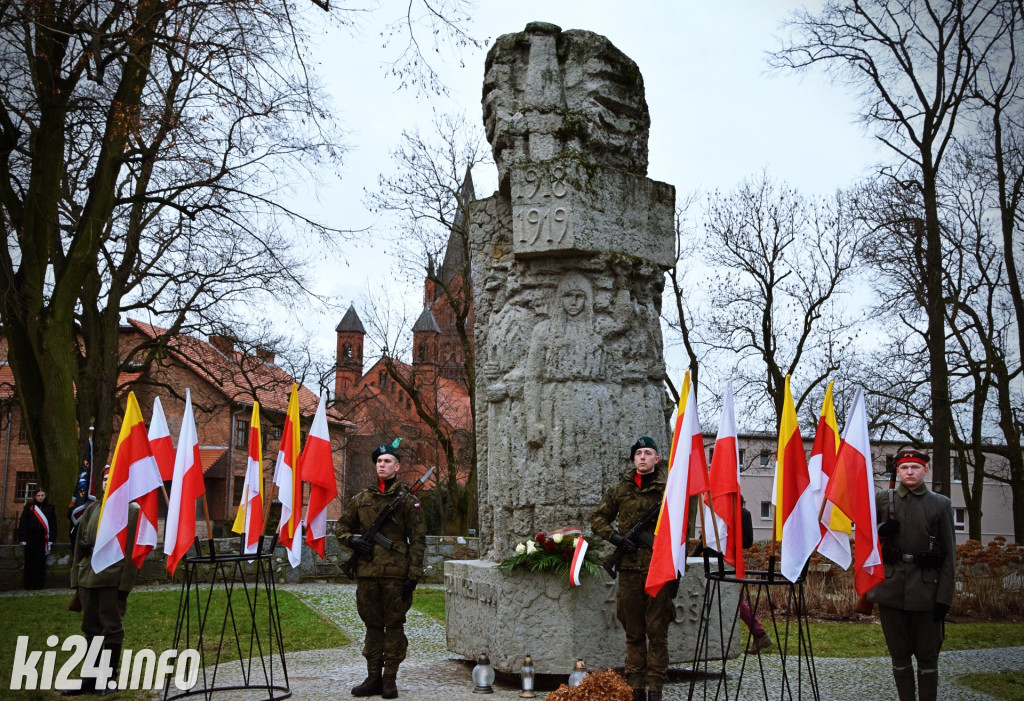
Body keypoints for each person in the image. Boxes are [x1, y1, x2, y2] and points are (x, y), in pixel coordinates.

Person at [336, 443, 426, 699]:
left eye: (387, 461)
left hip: (397, 575)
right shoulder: (362, 499)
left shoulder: (409, 502)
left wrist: (413, 576)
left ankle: (389, 679)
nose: (382, 465)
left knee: (394, 625)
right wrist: (352, 541)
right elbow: (341, 526)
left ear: (397, 467)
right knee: (372, 626)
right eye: (379, 461)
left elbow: (418, 541)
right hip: (367, 573)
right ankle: (372, 677)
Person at [866, 448, 956, 701]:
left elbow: (950, 554)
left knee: (927, 657)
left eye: (915, 467)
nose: (909, 472)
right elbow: (865, 537)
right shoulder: (884, 499)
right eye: (904, 468)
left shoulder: (940, 504)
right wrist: (883, 530)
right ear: (897, 471)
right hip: (891, 589)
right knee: (899, 655)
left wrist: (944, 598)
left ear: (925, 470)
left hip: (927, 591)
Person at [590, 436, 674, 701]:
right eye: (638, 453)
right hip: (627, 569)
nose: (642, 457)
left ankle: (656, 689)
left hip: (658, 570)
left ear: (656, 459)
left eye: (648, 453)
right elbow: (598, 518)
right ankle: (636, 686)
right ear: (633, 458)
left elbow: (680, 524)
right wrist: (615, 539)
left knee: (657, 632)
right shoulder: (619, 490)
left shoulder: (668, 490)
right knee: (633, 632)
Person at [67, 467, 140, 696]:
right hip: (87, 577)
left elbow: (132, 552)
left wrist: (124, 585)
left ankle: (109, 678)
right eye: (105, 479)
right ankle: (90, 678)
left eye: (113, 479)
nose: (108, 482)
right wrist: (76, 579)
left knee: (111, 628)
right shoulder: (92, 508)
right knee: (90, 629)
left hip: (111, 578)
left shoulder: (131, 509)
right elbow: (80, 544)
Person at [692, 497, 772, 652]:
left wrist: (727, 540)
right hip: (714, 561)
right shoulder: (717, 513)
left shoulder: (741, 513)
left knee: (733, 599)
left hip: (727, 560)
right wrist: (693, 557)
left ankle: (759, 633)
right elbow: (705, 539)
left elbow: (747, 542)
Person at [19, 488, 56, 589]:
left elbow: (53, 524)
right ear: (35, 496)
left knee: (41, 562)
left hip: (43, 538)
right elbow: (23, 523)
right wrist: (22, 538)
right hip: (30, 538)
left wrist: (51, 539)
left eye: (42, 495)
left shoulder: (50, 508)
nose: (40, 497)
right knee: (30, 561)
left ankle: (39, 584)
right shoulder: (29, 507)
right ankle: (28, 584)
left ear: (45, 496)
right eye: (38, 495)